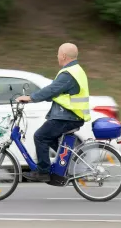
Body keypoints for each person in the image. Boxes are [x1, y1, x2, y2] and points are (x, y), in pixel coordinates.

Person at [15, 42, 91, 182]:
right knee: (50, 138)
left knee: (40, 136)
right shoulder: (75, 70)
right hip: (71, 115)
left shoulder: (69, 73)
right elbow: (55, 92)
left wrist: (30, 98)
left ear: (63, 56)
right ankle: (69, 164)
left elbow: (52, 89)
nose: (57, 57)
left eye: (57, 54)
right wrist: (40, 97)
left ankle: (43, 171)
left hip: (69, 116)